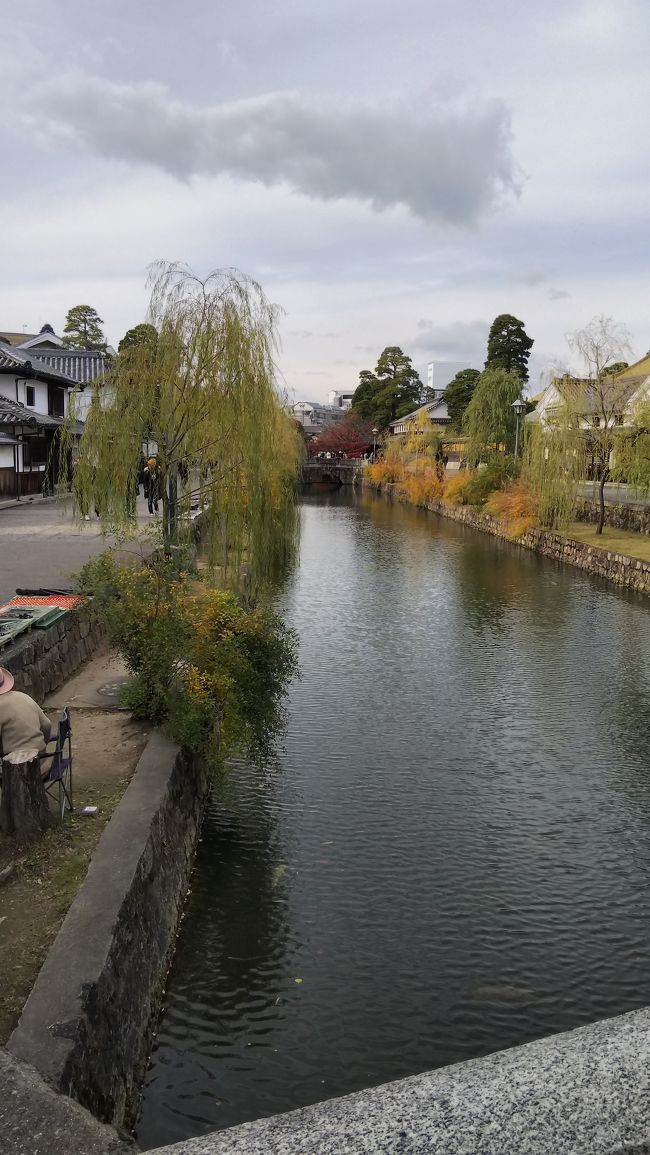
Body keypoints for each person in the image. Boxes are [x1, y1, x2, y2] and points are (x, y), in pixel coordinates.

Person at [0, 667, 51, 758]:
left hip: (14, 761)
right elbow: (47, 724)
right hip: (39, 753)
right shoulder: (24, 696)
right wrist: (42, 744)